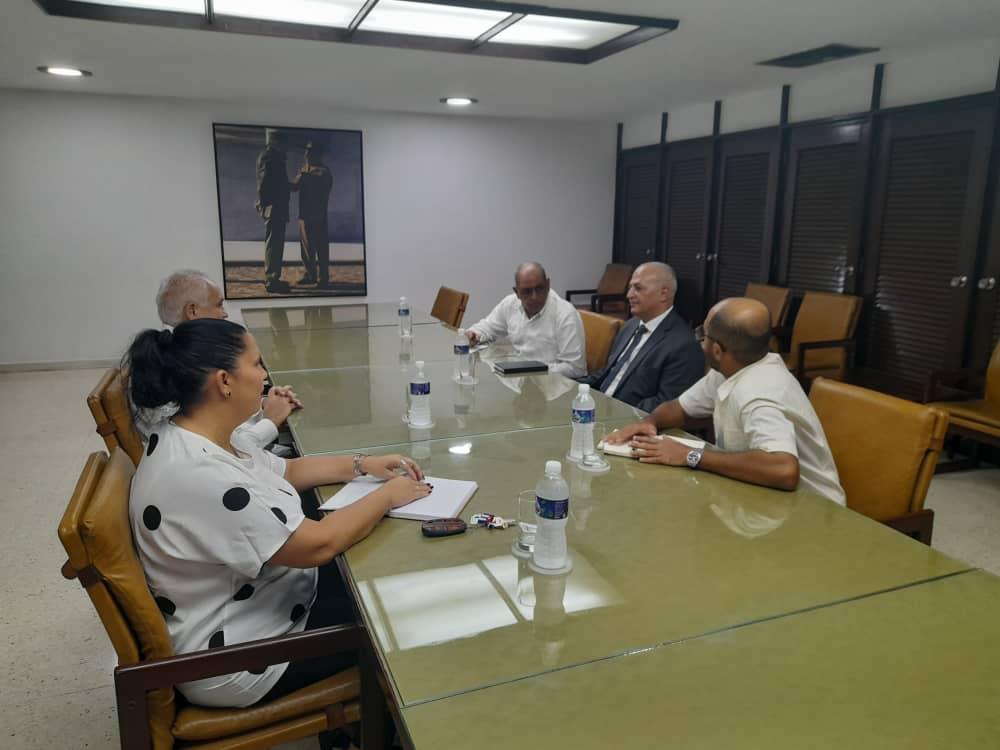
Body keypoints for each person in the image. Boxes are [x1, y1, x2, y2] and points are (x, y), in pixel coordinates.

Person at [124, 318, 432, 710]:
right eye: (256, 364)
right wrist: (387, 497)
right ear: (224, 381)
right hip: (241, 656)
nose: (265, 376)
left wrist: (363, 464)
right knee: (395, 609)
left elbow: (287, 470)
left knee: (376, 563)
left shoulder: (201, 434)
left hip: (264, 600)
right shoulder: (198, 473)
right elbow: (318, 545)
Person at [606, 297, 845, 504]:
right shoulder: (732, 369)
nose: (700, 341)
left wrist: (690, 455)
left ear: (717, 350)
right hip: (759, 495)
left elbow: (783, 469)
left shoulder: (759, 392)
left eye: (703, 334)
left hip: (810, 508)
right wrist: (650, 422)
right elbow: (679, 408)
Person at [144, 270, 301, 449]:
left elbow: (219, 406)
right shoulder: (174, 369)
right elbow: (221, 448)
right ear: (192, 311)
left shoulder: (180, 353)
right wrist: (270, 421)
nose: (225, 314)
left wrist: (262, 404)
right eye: (219, 305)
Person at [579, 262, 703, 412]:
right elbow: (608, 373)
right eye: (630, 287)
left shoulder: (684, 345)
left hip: (627, 418)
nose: (629, 295)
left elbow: (667, 405)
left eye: (638, 288)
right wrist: (571, 386)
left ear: (663, 294)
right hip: (597, 407)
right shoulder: (630, 325)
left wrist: (612, 410)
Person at [465, 262, 586, 378]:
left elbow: (576, 368)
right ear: (517, 292)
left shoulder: (565, 314)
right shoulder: (510, 304)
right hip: (520, 377)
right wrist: (474, 335)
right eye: (526, 291)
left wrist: (531, 369)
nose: (534, 297)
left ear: (548, 285)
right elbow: (488, 327)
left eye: (539, 288)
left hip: (553, 383)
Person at [290, 141, 334, 288]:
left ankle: (323, 278)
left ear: (318, 154)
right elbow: (295, 186)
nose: (306, 155)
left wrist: (306, 177)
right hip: (304, 216)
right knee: (306, 249)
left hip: (318, 216)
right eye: (306, 152)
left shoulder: (323, 171)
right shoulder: (305, 169)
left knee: (321, 248)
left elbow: (322, 188)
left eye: (310, 152)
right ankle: (310, 275)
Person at [256, 129, 292, 294]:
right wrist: (264, 205)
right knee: (274, 245)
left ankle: (274, 278)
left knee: (277, 245)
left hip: (278, 207)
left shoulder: (275, 157)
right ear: (275, 142)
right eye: (284, 143)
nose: (286, 147)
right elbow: (264, 184)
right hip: (274, 208)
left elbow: (277, 183)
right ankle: (271, 280)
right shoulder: (269, 157)